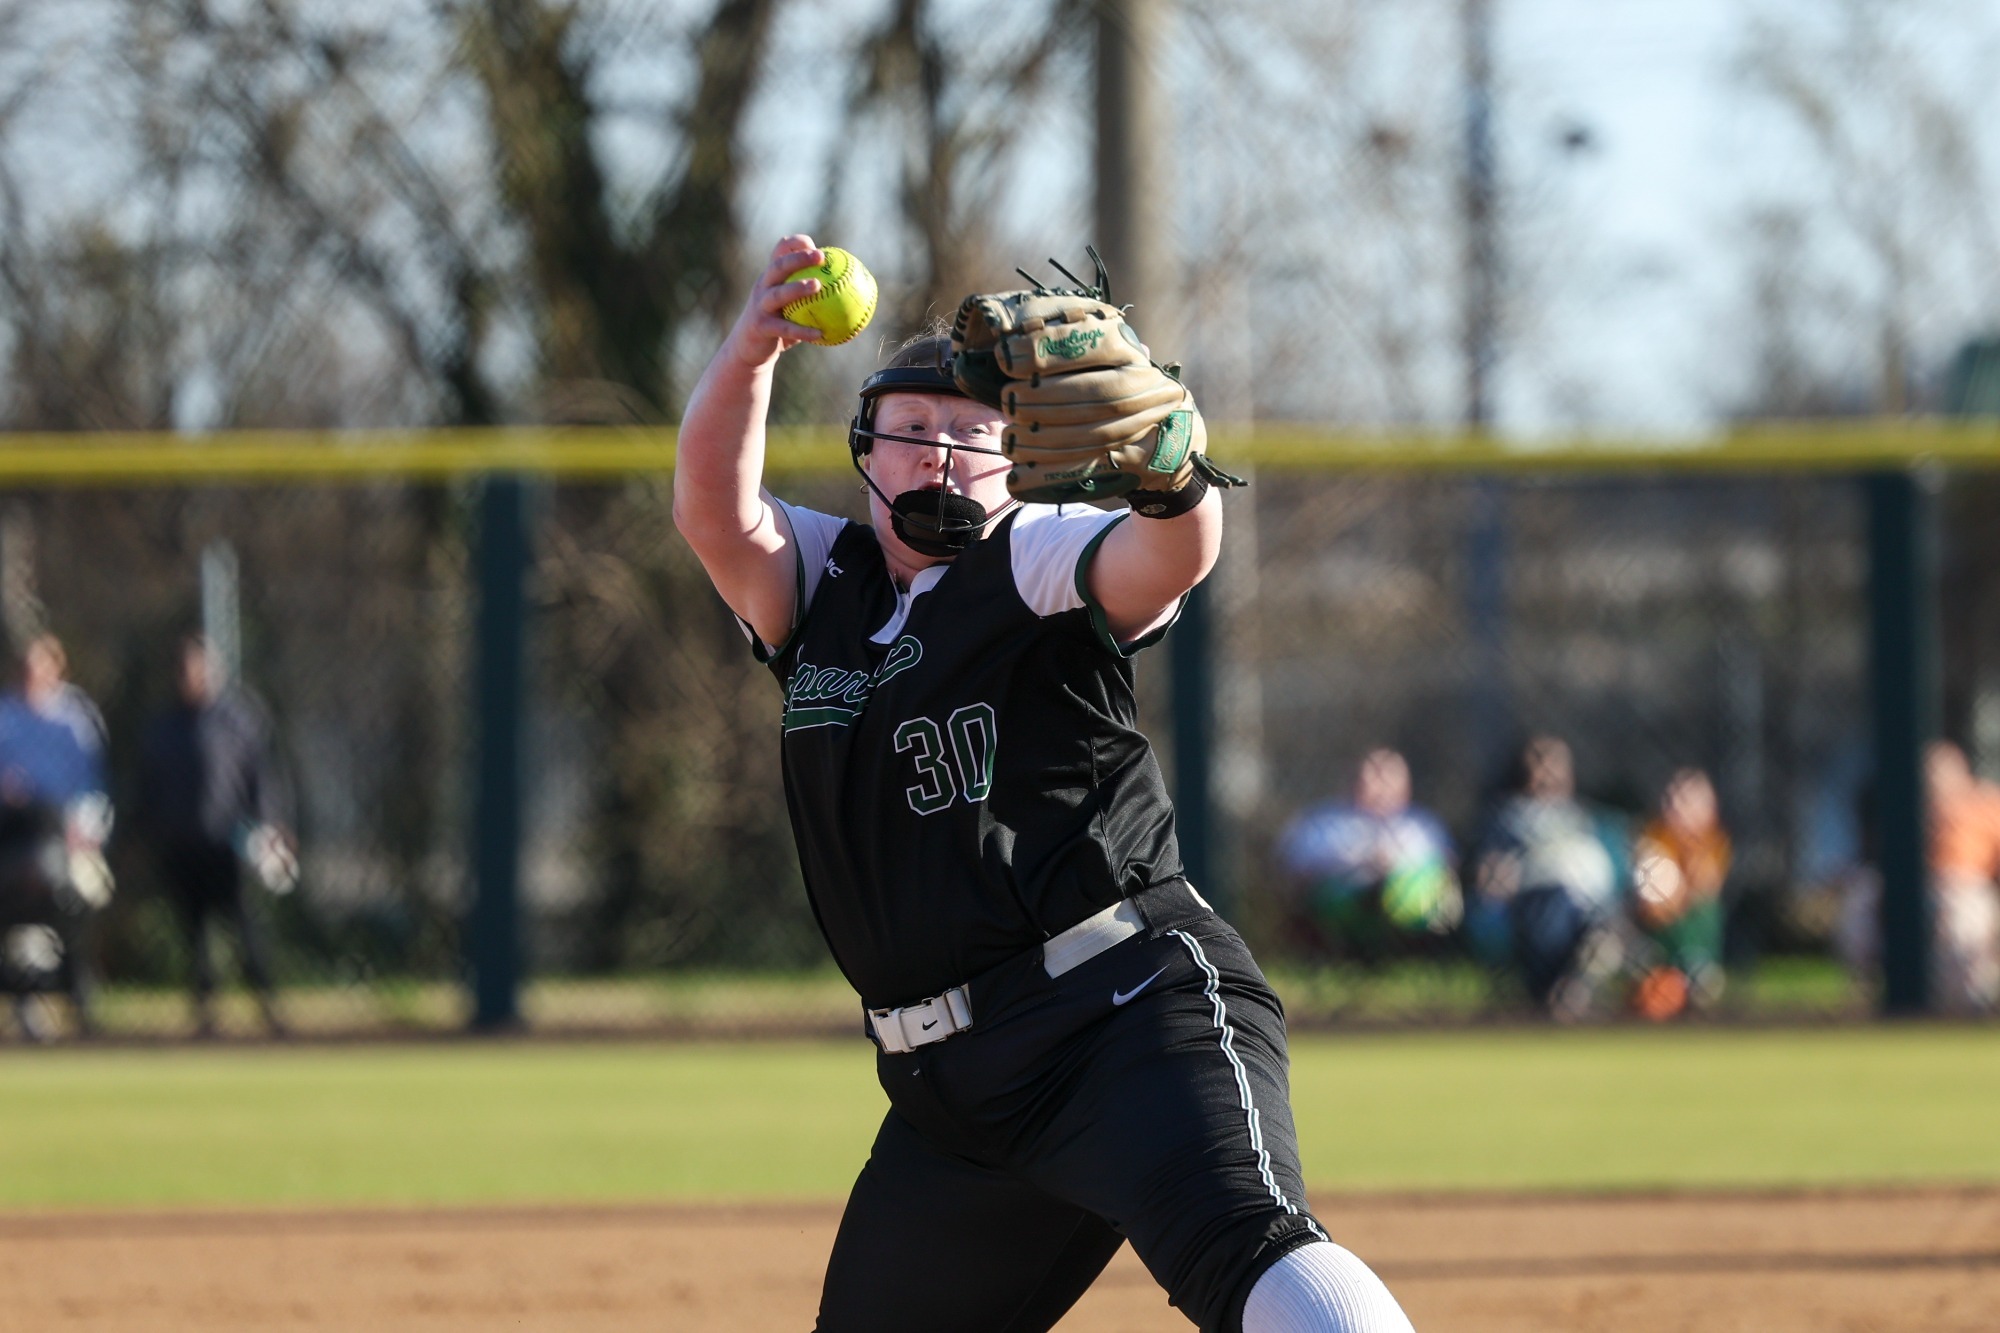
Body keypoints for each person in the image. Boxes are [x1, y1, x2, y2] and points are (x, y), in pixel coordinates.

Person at [673, 235, 1413, 1333]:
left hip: (1120, 1015)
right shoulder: (823, 581)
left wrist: (1172, 474)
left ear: (1018, 462)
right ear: (865, 450)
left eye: (967, 435)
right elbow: (712, 512)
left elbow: (1169, 556)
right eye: (911, 431)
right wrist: (747, 354)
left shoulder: (1027, 554)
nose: (934, 455)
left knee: (1251, 1252)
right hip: (950, 1103)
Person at [137, 635, 294, 1037]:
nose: (194, 678)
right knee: (196, 933)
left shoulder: (239, 720)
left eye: (200, 669)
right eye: (187, 671)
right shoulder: (164, 727)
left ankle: (269, 1005)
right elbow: (147, 788)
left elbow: (262, 778)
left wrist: (273, 825)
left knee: (243, 925)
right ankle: (206, 1014)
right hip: (181, 843)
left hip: (229, 843)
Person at [0, 634, 112, 1039]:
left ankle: (80, 1001)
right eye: (27, 668)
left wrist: (86, 833)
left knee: (79, 903)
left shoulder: (74, 722)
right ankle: (24, 1003)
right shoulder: (5, 719)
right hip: (12, 835)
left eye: (42, 666)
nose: (34, 675)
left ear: (57, 669)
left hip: (65, 835)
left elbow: (93, 789)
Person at [1468, 735, 1627, 1020]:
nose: (1547, 772)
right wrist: (1498, 878)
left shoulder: (1588, 819)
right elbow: (1489, 878)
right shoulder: (1508, 819)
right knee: (1555, 906)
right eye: (1539, 763)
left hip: (1593, 910)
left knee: (1607, 937)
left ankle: (1574, 990)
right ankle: (1553, 992)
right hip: (1540, 906)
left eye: (1555, 763)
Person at [1274, 748, 1460, 964]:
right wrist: (1359, 864)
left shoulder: (1421, 824)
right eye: (1374, 773)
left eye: (1390, 774)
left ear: (1406, 784)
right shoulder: (1325, 820)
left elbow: (1444, 866)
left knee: (1412, 885)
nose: (1381, 783)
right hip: (1346, 894)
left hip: (1405, 897)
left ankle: (1410, 951)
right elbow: (1294, 864)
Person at [1628, 768, 1731, 1020]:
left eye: (1686, 800)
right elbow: (1652, 909)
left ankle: (1692, 977)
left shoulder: (1713, 844)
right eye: (1672, 799)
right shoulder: (1652, 839)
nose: (1676, 807)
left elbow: (1703, 889)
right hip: (1654, 940)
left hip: (1692, 942)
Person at [1924, 741, 2000, 1014]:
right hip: (1922, 889)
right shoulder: (1912, 809)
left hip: (1968, 888)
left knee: (1963, 917)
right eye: (1930, 774)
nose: (1936, 780)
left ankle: (1970, 1007)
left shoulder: (1985, 804)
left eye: (1943, 772)